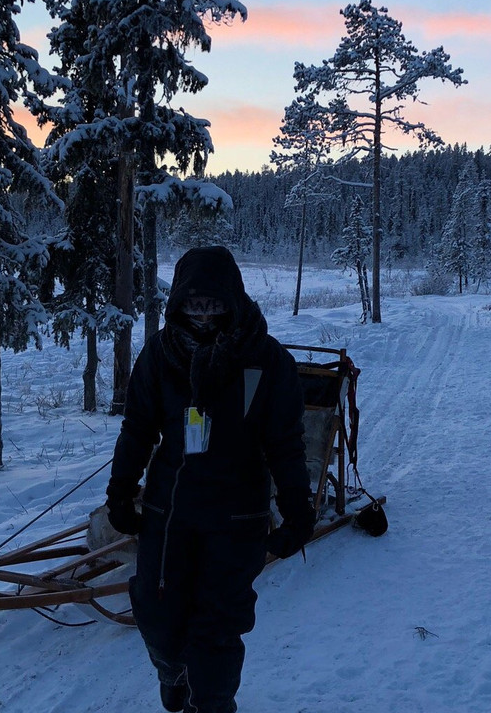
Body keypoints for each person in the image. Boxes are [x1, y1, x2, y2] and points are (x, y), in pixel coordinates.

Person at [105, 245, 316, 713]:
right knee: (156, 613)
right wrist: (120, 492)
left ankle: (213, 703)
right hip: (168, 510)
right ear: (177, 304)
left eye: (214, 305)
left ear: (233, 301)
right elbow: (137, 428)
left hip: (237, 515)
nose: (203, 316)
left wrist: (298, 509)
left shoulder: (268, 360)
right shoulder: (160, 354)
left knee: (218, 627)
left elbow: (285, 443)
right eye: (194, 305)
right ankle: (172, 669)